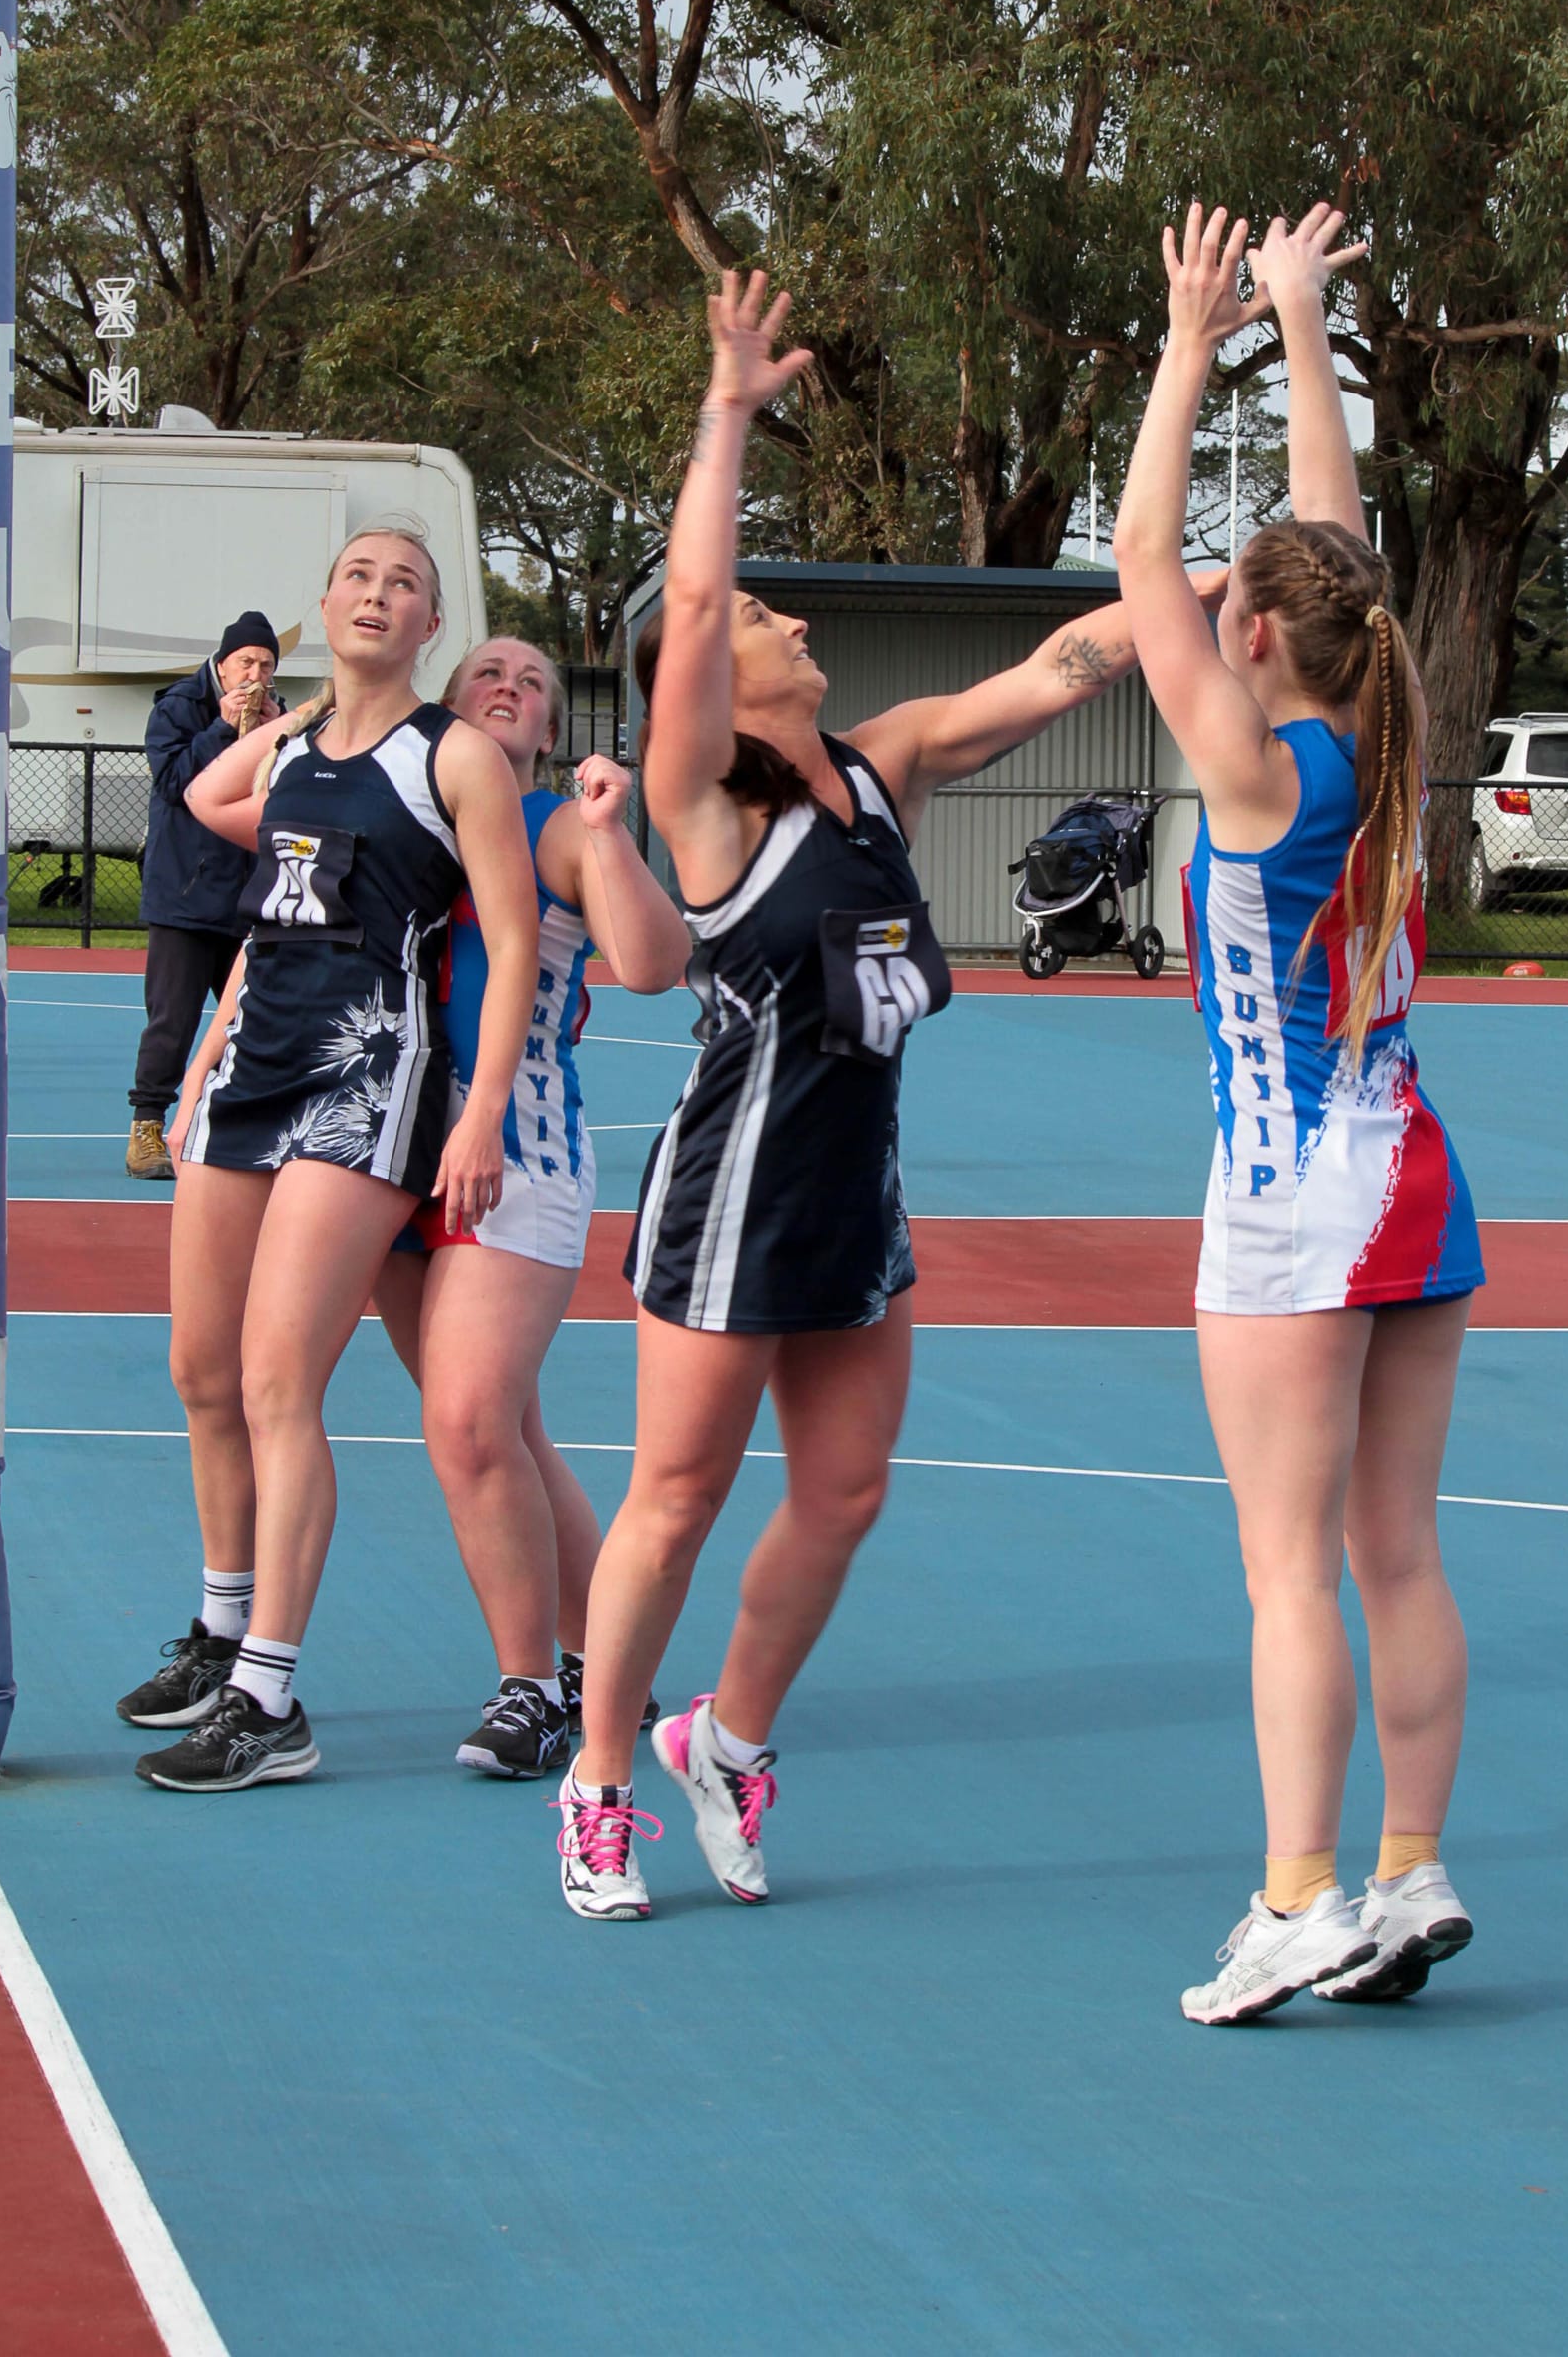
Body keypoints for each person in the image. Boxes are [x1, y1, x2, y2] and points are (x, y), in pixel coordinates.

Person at [553, 268, 1198, 1922]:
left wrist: (1204, 587)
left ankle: (730, 1738)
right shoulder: (707, 802)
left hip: (858, 1197)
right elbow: (695, 612)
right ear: (704, 676)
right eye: (780, 622)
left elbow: (1064, 666)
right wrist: (726, 413)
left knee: (842, 1496)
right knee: (678, 1497)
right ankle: (602, 1776)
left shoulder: (880, 763)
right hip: (729, 1198)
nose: (798, 628)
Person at [1112, 201, 1482, 2024]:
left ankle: (1299, 1897)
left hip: (1290, 1195)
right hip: (1417, 1176)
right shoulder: (1382, 745)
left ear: (1251, 633)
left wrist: (1197, 344)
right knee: (1393, 1545)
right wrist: (1305, 329)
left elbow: (1132, 554)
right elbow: (1341, 555)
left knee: (1285, 1568)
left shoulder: (1261, 775)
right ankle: (1411, 1870)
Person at [118, 524, 539, 1793]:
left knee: (275, 1380)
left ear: (431, 625)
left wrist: (480, 1114)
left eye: (402, 583)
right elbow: (202, 800)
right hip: (252, 1062)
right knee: (201, 1371)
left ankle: (269, 1695)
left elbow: (511, 944)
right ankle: (220, 1624)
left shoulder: (450, 755)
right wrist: (299, 705)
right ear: (325, 603)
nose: (376, 592)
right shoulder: (296, 750)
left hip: (368, 1071)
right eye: (356, 575)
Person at [370, 636, 689, 1778]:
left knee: (465, 1425)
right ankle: (613, 1665)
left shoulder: (553, 822)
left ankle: (534, 1689)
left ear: (549, 731)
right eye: (484, 676)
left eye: (532, 685)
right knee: (504, 1431)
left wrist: (610, 829)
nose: (507, 687)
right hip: (381, 1156)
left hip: (514, 1156)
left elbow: (654, 961)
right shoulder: (396, 810)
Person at [126, 611, 283, 1180]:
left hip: (250, 899)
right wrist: (221, 730)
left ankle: (254, 1129)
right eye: (246, 661)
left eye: (266, 664)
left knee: (258, 1018)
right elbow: (175, 785)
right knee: (171, 1019)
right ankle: (146, 1127)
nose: (256, 674)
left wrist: (274, 736)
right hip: (185, 896)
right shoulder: (177, 709)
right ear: (222, 664)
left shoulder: (279, 719)